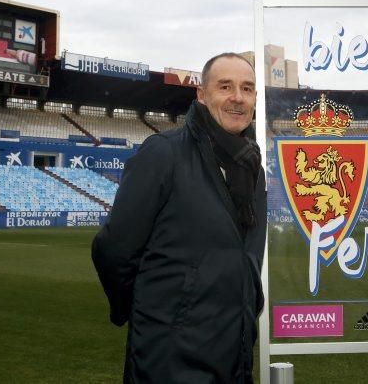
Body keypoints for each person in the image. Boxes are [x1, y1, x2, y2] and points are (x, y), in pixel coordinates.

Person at [91, 52, 266, 384]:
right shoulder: (163, 152)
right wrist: (160, 313)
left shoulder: (252, 166)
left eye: (247, 88)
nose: (237, 98)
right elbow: (113, 250)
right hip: (170, 359)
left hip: (235, 352)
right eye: (225, 86)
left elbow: (247, 257)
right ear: (202, 94)